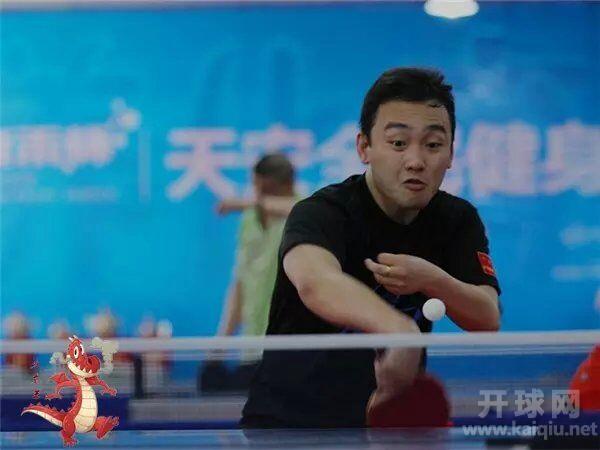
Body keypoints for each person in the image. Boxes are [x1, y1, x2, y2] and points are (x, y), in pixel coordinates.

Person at [241, 67, 501, 428]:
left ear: (451, 153)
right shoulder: (322, 212)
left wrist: (431, 279)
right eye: (398, 143)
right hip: (287, 427)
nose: (416, 161)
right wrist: (398, 329)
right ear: (364, 147)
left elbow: (487, 317)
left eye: (433, 145)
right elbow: (315, 282)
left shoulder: (457, 220)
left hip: (386, 426)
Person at [203, 154, 298, 391]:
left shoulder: (307, 211)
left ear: (288, 184)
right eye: (256, 187)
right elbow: (240, 284)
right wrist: (220, 344)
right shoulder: (249, 218)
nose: (259, 194)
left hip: (291, 347)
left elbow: (297, 208)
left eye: (267, 189)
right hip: (253, 348)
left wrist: (247, 203)